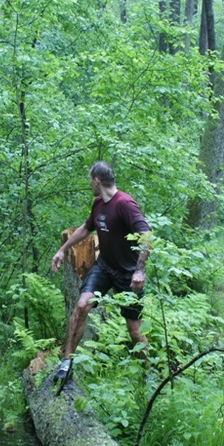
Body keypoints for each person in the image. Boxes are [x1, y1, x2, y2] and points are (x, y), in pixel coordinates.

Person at [50, 161, 151, 381]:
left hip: (128, 273)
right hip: (104, 267)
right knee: (81, 306)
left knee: (134, 329)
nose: (89, 185)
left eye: (90, 180)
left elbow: (146, 235)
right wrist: (62, 250)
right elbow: (86, 228)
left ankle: (148, 374)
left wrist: (139, 271)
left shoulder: (125, 203)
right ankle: (66, 363)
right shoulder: (98, 204)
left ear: (97, 180)